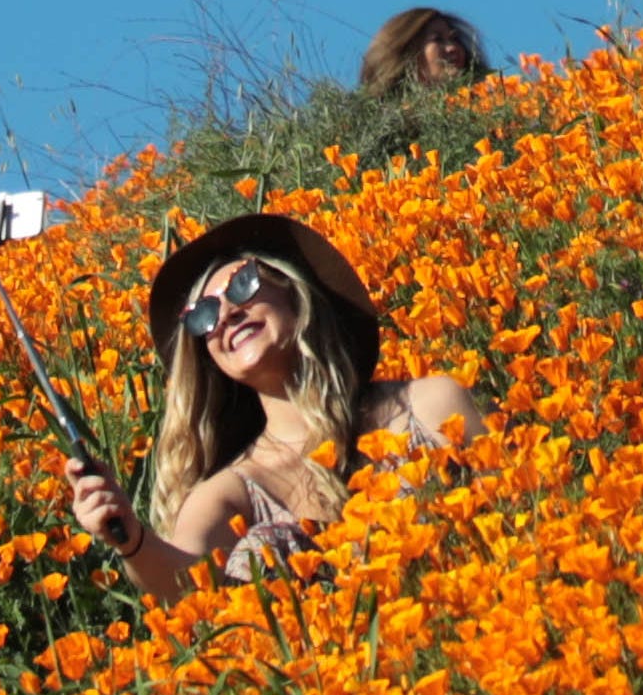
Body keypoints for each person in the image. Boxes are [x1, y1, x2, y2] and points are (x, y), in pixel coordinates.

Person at [68, 214, 485, 602]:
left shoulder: (431, 405)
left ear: (295, 292)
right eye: (204, 315)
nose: (227, 314)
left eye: (242, 284)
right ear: (207, 355)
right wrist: (132, 539)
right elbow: (190, 585)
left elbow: (514, 513)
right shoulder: (231, 492)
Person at [358, 8, 490, 95]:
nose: (452, 47)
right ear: (408, 53)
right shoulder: (382, 123)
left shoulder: (489, 105)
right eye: (437, 39)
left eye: (454, 39)